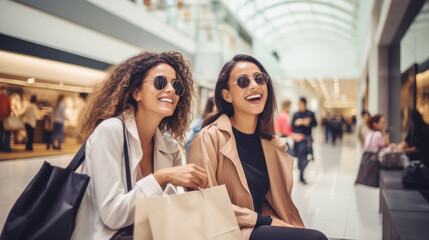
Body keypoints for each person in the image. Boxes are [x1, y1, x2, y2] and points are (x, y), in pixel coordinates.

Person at [188, 54, 327, 240]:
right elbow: (203, 202)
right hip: (224, 231)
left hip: (257, 228)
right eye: (243, 81)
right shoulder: (208, 139)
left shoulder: (271, 144)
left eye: (259, 78)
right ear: (226, 95)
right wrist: (264, 221)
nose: (254, 85)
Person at [72, 51, 208, 240]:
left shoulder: (170, 147)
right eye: (160, 82)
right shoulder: (110, 132)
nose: (171, 90)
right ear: (136, 92)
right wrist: (161, 177)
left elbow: (173, 209)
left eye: (176, 85)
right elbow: (113, 214)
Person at [291, 97, 317, 184]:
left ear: (303, 103)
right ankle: (301, 173)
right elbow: (292, 126)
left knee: (306, 156)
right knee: (299, 156)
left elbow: (315, 124)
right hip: (297, 139)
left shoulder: (310, 113)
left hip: (306, 139)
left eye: (300, 103)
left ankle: (301, 172)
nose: (298, 105)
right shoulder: (296, 114)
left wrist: (303, 122)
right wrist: (296, 123)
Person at [0, 86, 12, 152]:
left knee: (1, 134)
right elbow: (9, 110)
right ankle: (6, 147)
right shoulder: (7, 99)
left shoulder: (6, 99)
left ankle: (1, 147)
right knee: (7, 133)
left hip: (2, 119)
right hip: (5, 119)